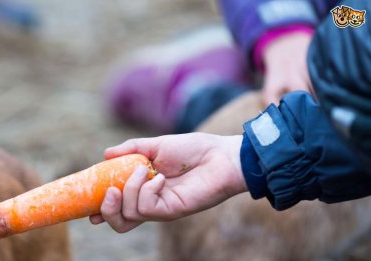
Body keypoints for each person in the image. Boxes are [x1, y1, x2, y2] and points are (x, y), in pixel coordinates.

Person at [92, 0, 371, 233]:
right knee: (270, 105)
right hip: (335, 33)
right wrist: (283, 27)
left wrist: (244, 158)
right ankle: (191, 93)